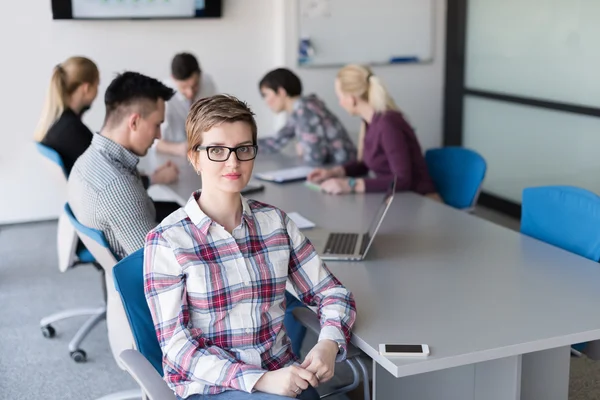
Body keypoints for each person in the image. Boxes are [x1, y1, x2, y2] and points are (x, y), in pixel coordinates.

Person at [144, 94, 357, 399]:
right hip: (213, 387)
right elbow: (178, 347)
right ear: (194, 157)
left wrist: (328, 343)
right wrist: (259, 380)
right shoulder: (167, 241)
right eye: (217, 150)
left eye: (243, 149)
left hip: (283, 376)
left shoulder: (275, 224)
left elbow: (332, 293)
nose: (233, 162)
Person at [68, 71, 180, 259]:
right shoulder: (119, 187)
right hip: (144, 276)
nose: (159, 135)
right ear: (134, 121)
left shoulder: (87, 159)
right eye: (157, 124)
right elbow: (156, 263)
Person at [307, 64, 438, 199]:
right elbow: (366, 163)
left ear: (352, 99)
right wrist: (334, 173)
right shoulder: (370, 122)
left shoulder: (388, 124)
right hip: (399, 200)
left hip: (420, 200)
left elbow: (402, 180)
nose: (340, 103)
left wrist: (351, 185)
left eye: (340, 97)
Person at [258, 68, 356, 166]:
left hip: (340, 172)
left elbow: (315, 158)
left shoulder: (306, 111)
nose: (266, 102)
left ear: (281, 91)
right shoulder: (302, 108)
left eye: (266, 95)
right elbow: (275, 142)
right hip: (336, 169)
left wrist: (304, 151)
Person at [34, 56, 100, 175]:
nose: (97, 92)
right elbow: (105, 175)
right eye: (97, 85)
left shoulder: (55, 124)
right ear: (87, 88)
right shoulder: (73, 130)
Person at [156, 52, 218, 157]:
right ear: (173, 79)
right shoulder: (161, 95)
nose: (190, 93)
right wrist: (179, 148)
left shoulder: (208, 83)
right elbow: (153, 141)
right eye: (183, 87)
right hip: (170, 158)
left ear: (200, 75)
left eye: (194, 86)